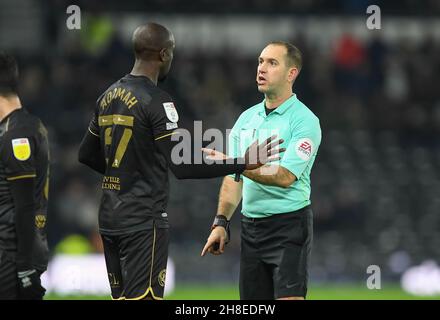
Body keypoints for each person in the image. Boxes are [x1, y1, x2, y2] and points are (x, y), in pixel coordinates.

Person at [78, 22, 284, 300]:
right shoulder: (157, 101)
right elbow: (182, 165)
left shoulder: (107, 96)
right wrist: (242, 162)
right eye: (172, 53)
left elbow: (86, 155)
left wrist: (127, 172)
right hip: (143, 221)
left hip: (109, 218)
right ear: (164, 54)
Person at [201, 41, 322, 300]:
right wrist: (221, 222)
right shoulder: (246, 119)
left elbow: (285, 177)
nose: (262, 68)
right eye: (260, 61)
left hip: (289, 226)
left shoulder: (305, 121)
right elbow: (234, 178)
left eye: (272, 63)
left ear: (292, 74)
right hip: (251, 228)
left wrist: (237, 163)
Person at [0, 52, 50, 300]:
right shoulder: (28, 125)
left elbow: (25, 205)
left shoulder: (16, 134)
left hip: (11, 257)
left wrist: (25, 269)